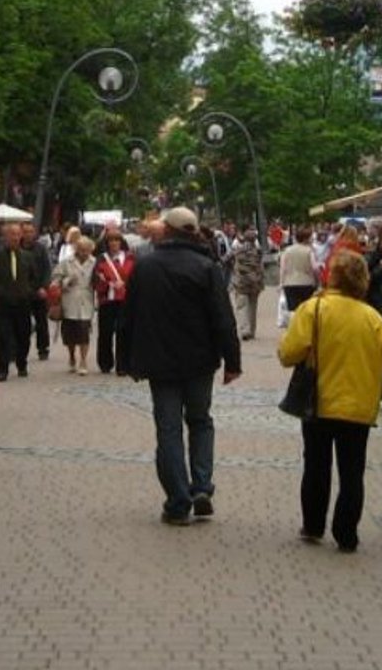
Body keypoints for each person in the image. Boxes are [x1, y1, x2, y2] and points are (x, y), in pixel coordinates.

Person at [117, 207, 243, 526]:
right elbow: (222, 318)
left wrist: (124, 360)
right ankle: (201, 487)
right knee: (200, 421)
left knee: (168, 429)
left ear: (168, 232)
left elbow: (127, 316)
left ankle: (177, 500)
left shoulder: (145, 266)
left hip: (159, 363)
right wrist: (232, 361)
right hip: (200, 361)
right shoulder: (206, 267)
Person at [278, 249, 382, 552]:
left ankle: (314, 525)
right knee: (352, 472)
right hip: (358, 406)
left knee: (316, 466)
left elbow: (289, 353)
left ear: (332, 276)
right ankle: (346, 533)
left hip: (320, 401)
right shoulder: (373, 318)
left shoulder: (313, 309)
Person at [0, 222, 46, 381]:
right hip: (3, 304)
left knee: (23, 335)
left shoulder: (27, 256)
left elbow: (35, 278)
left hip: (23, 303)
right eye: (11, 234)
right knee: (2, 336)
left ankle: (21, 363)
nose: (15, 238)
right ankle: (2, 368)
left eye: (17, 234)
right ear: (5, 237)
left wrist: (29, 291)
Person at [52, 236, 99, 374]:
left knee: (84, 331)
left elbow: (99, 280)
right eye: (82, 250)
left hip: (87, 299)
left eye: (87, 250)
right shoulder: (66, 262)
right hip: (69, 300)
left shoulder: (94, 262)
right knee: (70, 334)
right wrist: (67, 281)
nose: (84, 253)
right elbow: (55, 280)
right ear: (76, 250)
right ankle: (72, 356)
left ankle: (83, 361)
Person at [94, 230, 134, 375]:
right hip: (107, 299)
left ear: (121, 242)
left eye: (116, 240)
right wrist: (108, 284)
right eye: (111, 240)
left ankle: (123, 365)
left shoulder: (130, 258)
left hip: (125, 300)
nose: (114, 243)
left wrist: (125, 285)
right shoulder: (102, 259)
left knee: (123, 332)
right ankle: (105, 363)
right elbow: (96, 278)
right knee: (105, 332)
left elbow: (135, 277)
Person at [25, 221, 55, 361]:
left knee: (41, 322)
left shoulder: (41, 249)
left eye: (30, 232)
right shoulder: (17, 248)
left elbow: (47, 269)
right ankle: (18, 348)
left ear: (35, 233)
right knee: (21, 322)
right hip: (23, 291)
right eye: (25, 232)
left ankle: (43, 348)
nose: (28, 235)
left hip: (39, 291)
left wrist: (44, 287)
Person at [230, 227, 265, 341]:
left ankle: (245, 330)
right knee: (252, 307)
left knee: (242, 307)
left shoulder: (238, 251)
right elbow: (261, 266)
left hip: (241, 282)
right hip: (255, 282)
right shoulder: (258, 252)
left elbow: (228, 259)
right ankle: (252, 330)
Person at [279, 228, 318, 313]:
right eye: (311, 237)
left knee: (293, 310)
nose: (312, 239)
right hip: (307, 283)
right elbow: (314, 267)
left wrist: (281, 283)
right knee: (307, 309)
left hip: (289, 283)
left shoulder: (287, 250)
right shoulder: (309, 251)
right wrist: (316, 280)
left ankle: (295, 324)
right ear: (306, 238)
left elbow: (283, 268)